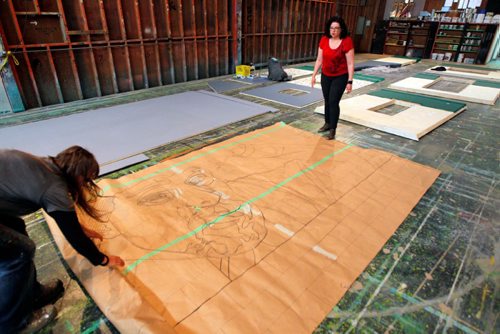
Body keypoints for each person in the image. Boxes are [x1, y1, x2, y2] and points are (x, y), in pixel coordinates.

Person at [0, 146, 125, 333]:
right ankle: (13, 324)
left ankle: (32, 294)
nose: (85, 184)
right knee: (20, 252)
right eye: (86, 179)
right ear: (77, 174)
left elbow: (64, 217)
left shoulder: (48, 166)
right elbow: (74, 237)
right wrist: (102, 259)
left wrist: (84, 230)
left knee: (17, 229)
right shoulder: (54, 187)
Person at [312, 16, 355, 140]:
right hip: (326, 75)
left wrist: (350, 81)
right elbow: (319, 59)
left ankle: (333, 129)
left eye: (336, 28)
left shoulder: (346, 41)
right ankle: (327, 123)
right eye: (331, 28)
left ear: (341, 29)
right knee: (327, 100)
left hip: (340, 76)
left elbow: (350, 63)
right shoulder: (324, 40)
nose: (333, 31)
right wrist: (314, 74)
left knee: (333, 102)